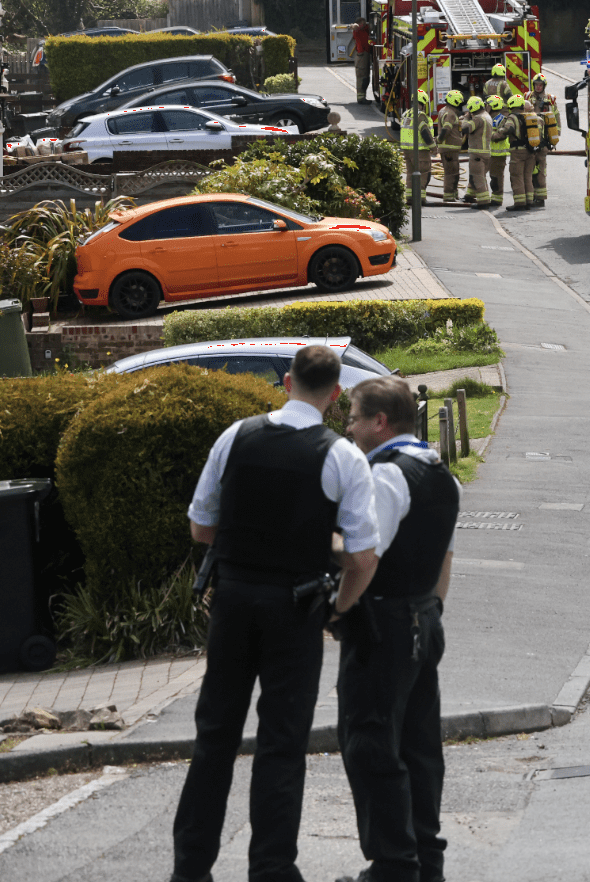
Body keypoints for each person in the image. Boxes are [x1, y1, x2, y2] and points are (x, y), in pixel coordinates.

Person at [172, 344, 380, 882]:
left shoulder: (234, 437)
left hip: (234, 599)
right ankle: (271, 868)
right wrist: (339, 606)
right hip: (296, 606)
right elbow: (362, 557)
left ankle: (190, 869)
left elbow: (200, 527)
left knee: (214, 734)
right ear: (335, 396)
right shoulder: (341, 457)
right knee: (283, 742)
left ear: (286, 382)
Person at [334, 376, 458, 882]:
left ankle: (391, 866)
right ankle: (426, 861)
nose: (349, 426)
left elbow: (363, 559)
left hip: (385, 624)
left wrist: (339, 608)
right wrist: (429, 614)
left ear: (379, 422)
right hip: (423, 617)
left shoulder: (385, 477)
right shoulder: (440, 474)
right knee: (419, 746)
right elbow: (445, 561)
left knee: (369, 743)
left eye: (355, 417)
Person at [529, 73, 559, 204]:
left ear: (544, 86)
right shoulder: (526, 97)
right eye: (536, 85)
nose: (538, 87)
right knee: (529, 169)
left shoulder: (550, 99)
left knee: (540, 170)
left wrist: (554, 138)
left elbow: (556, 119)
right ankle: (531, 195)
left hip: (543, 139)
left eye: (540, 85)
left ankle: (540, 198)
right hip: (529, 138)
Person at [398, 89, 435, 193]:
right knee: (424, 173)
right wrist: (433, 147)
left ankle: (410, 196)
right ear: (423, 103)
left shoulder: (406, 114)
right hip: (420, 150)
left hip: (407, 150)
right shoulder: (421, 115)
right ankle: (420, 198)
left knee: (410, 173)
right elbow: (425, 133)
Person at [507, 94, 539, 210]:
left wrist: (498, 132)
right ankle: (529, 201)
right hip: (530, 150)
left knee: (517, 176)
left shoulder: (512, 117)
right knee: (527, 176)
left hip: (517, 152)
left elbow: (508, 129)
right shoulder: (528, 116)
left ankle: (520, 203)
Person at [436, 90, 467, 203]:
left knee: (454, 172)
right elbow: (447, 129)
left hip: (449, 148)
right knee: (451, 173)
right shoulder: (450, 114)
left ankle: (453, 194)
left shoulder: (445, 111)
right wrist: (439, 140)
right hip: (449, 148)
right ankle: (449, 196)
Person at [462, 96, 493, 206]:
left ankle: (483, 201)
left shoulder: (478, 118)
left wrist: (466, 118)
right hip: (486, 152)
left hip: (477, 152)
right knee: (479, 176)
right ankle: (470, 195)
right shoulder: (487, 116)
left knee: (477, 177)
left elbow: (465, 128)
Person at [486, 94, 510, 204]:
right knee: (490, 176)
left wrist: (487, 134)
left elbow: (501, 136)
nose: (486, 106)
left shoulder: (502, 119)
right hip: (489, 153)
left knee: (496, 177)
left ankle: (497, 199)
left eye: (487, 105)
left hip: (498, 154)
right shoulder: (488, 118)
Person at [352, 20, 371, 103]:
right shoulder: (357, 30)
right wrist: (354, 25)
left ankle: (363, 97)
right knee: (361, 78)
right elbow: (353, 26)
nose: (364, 24)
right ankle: (361, 99)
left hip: (364, 55)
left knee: (365, 78)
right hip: (361, 56)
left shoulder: (364, 30)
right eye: (362, 23)